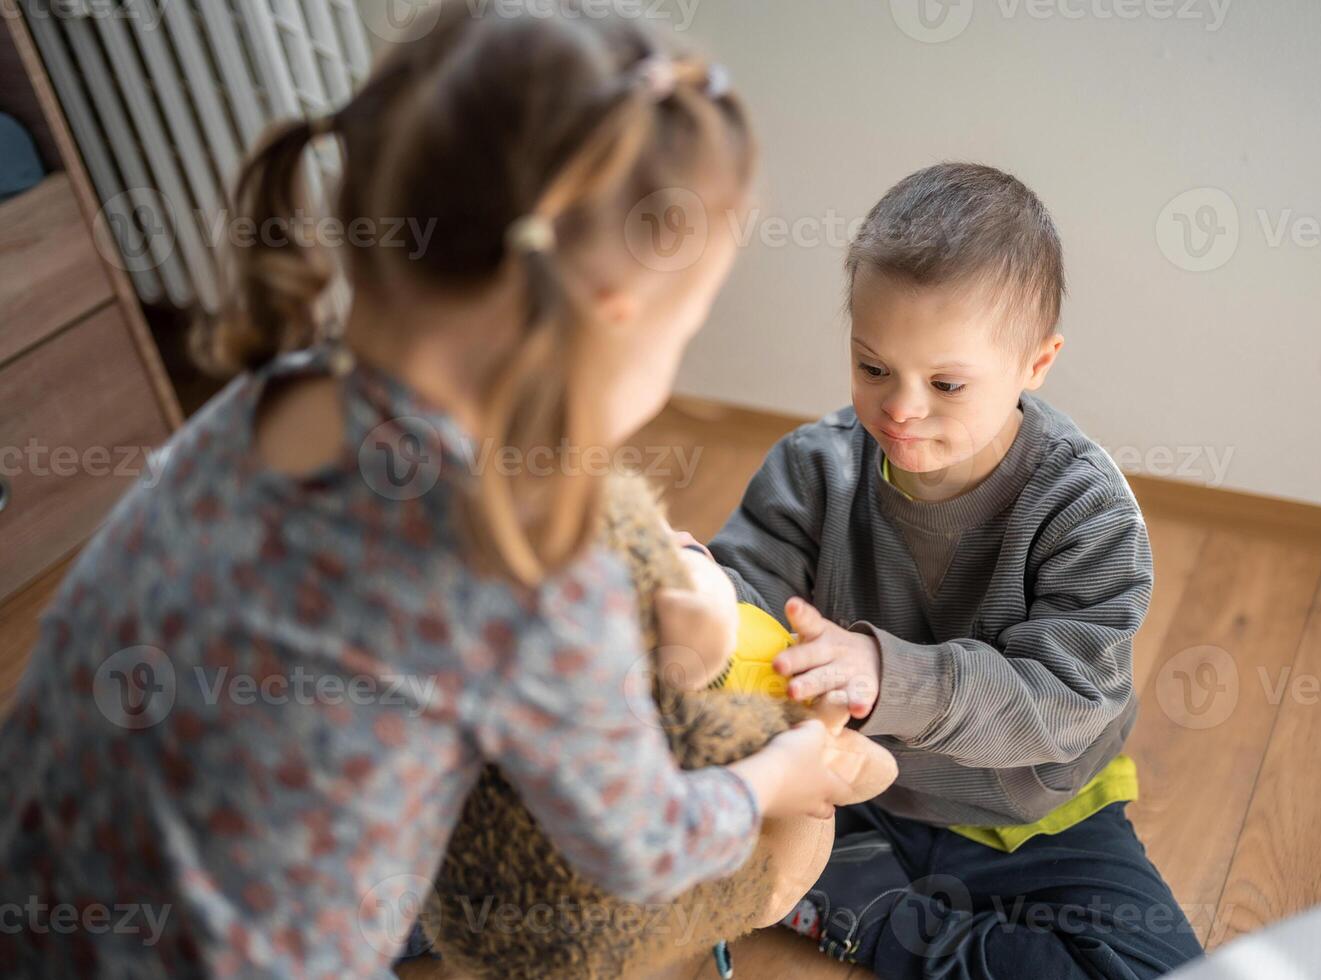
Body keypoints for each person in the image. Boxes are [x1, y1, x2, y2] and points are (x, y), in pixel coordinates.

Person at [0, 6, 853, 976]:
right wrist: (780, 774)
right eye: (685, 326)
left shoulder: (265, 400)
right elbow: (638, 844)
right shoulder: (527, 561)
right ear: (615, 311)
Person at [683, 162, 1205, 978]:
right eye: (873, 367)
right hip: (849, 789)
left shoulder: (1085, 509)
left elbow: (1062, 702)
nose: (901, 408)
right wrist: (698, 595)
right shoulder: (818, 468)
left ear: (1037, 363)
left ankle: (877, 918)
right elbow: (747, 593)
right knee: (644, 825)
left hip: (1031, 815)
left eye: (947, 383)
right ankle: (842, 884)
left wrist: (889, 675)